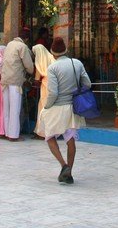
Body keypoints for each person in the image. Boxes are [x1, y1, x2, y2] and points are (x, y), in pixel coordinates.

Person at [41, 37, 91, 183]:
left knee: (49, 137)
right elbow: (87, 84)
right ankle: (69, 172)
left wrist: (46, 106)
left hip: (57, 108)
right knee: (70, 140)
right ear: (65, 50)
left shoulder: (52, 68)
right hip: (73, 107)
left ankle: (64, 166)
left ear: (53, 53)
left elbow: (53, 93)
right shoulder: (77, 63)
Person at [0, 32, 34, 140]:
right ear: (26, 39)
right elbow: (29, 66)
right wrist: (31, 71)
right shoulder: (22, 46)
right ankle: (13, 136)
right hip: (15, 81)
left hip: (5, 80)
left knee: (7, 108)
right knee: (15, 109)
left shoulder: (9, 44)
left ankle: (6, 133)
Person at [32, 41, 56, 139]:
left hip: (46, 87)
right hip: (54, 86)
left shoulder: (40, 62)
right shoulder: (52, 58)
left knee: (42, 109)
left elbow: (37, 80)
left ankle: (42, 133)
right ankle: (53, 132)